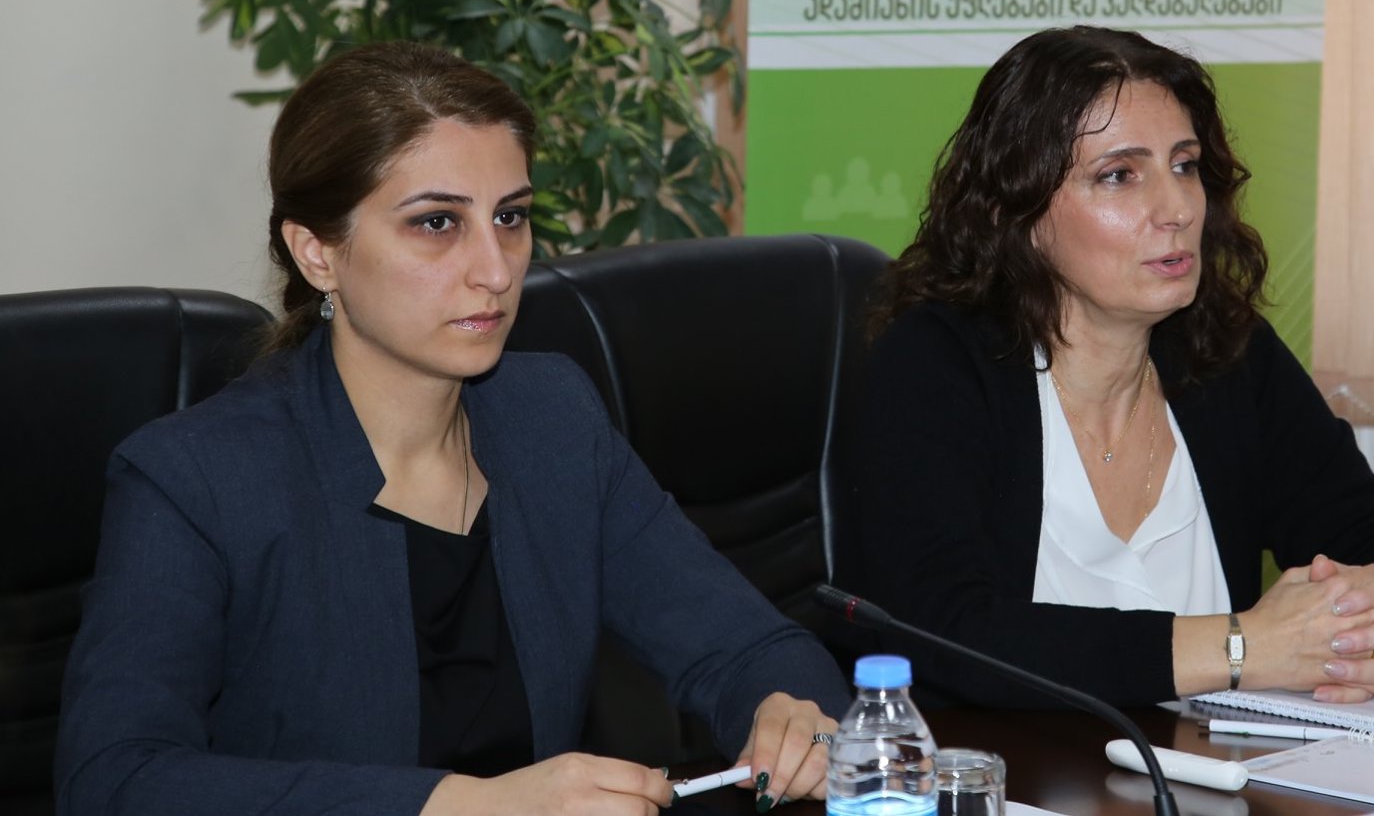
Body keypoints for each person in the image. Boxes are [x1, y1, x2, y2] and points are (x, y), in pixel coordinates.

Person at [57, 43, 849, 816]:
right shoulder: (194, 479)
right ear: (317, 253)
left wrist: (786, 710)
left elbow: (751, 648)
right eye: (437, 222)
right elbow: (113, 779)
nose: (497, 269)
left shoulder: (550, 418)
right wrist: (461, 803)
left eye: (511, 217)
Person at [843, 26, 1374, 707]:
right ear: (1021, 211)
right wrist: (1242, 647)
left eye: (1184, 165)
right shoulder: (935, 363)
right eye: (1120, 175)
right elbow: (940, 632)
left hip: (1211, 764)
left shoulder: (1226, 352)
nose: (1178, 208)